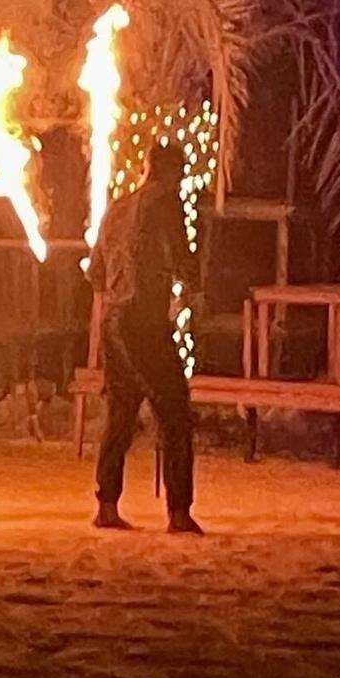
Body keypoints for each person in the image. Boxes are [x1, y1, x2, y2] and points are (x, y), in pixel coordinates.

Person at [87, 140, 204, 534]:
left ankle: (106, 504)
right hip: (144, 321)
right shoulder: (165, 202)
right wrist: (194, 282)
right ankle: (179, 511)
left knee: (121, 412)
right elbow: (183, 259)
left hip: (113, 321)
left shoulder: (117, 208)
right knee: (175, 411)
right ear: (171, 172)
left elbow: (96, 274)